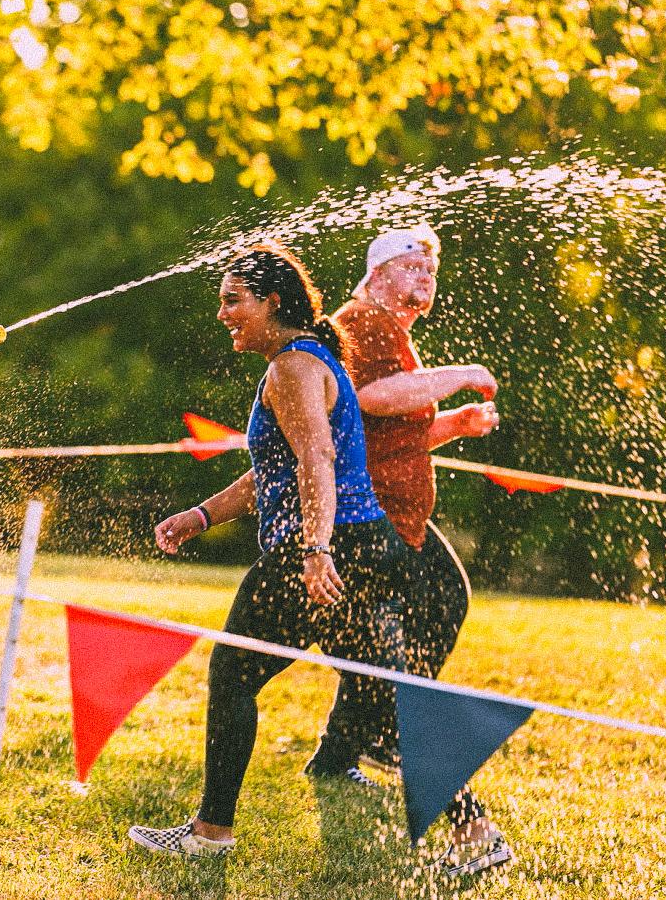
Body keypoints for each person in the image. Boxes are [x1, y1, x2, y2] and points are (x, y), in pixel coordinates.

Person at [127, 244, 413, 858]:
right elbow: (274, 473)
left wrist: (314, 549)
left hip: (316, 549)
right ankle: (475, 831)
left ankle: (211, 834)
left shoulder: (292, 367)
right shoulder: (309, 360)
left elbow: (317, 458)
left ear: (271, 302)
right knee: (385, 690)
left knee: (232, 675)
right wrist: (202, 515)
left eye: (234, 301)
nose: (225, 314)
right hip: (364, 541)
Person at [305, 223, 512, 876]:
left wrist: (454, 423)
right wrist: (460, 377)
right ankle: (466, 822)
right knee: (395, 677)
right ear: (376, 274)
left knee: (445, 598)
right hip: (365, 526)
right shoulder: (361, 321)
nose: (425, 275)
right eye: (411, 265)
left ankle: (345, 749)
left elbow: (394, 435)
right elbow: (371, 398)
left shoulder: (394, 335)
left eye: (432, 268)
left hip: (397, 521)